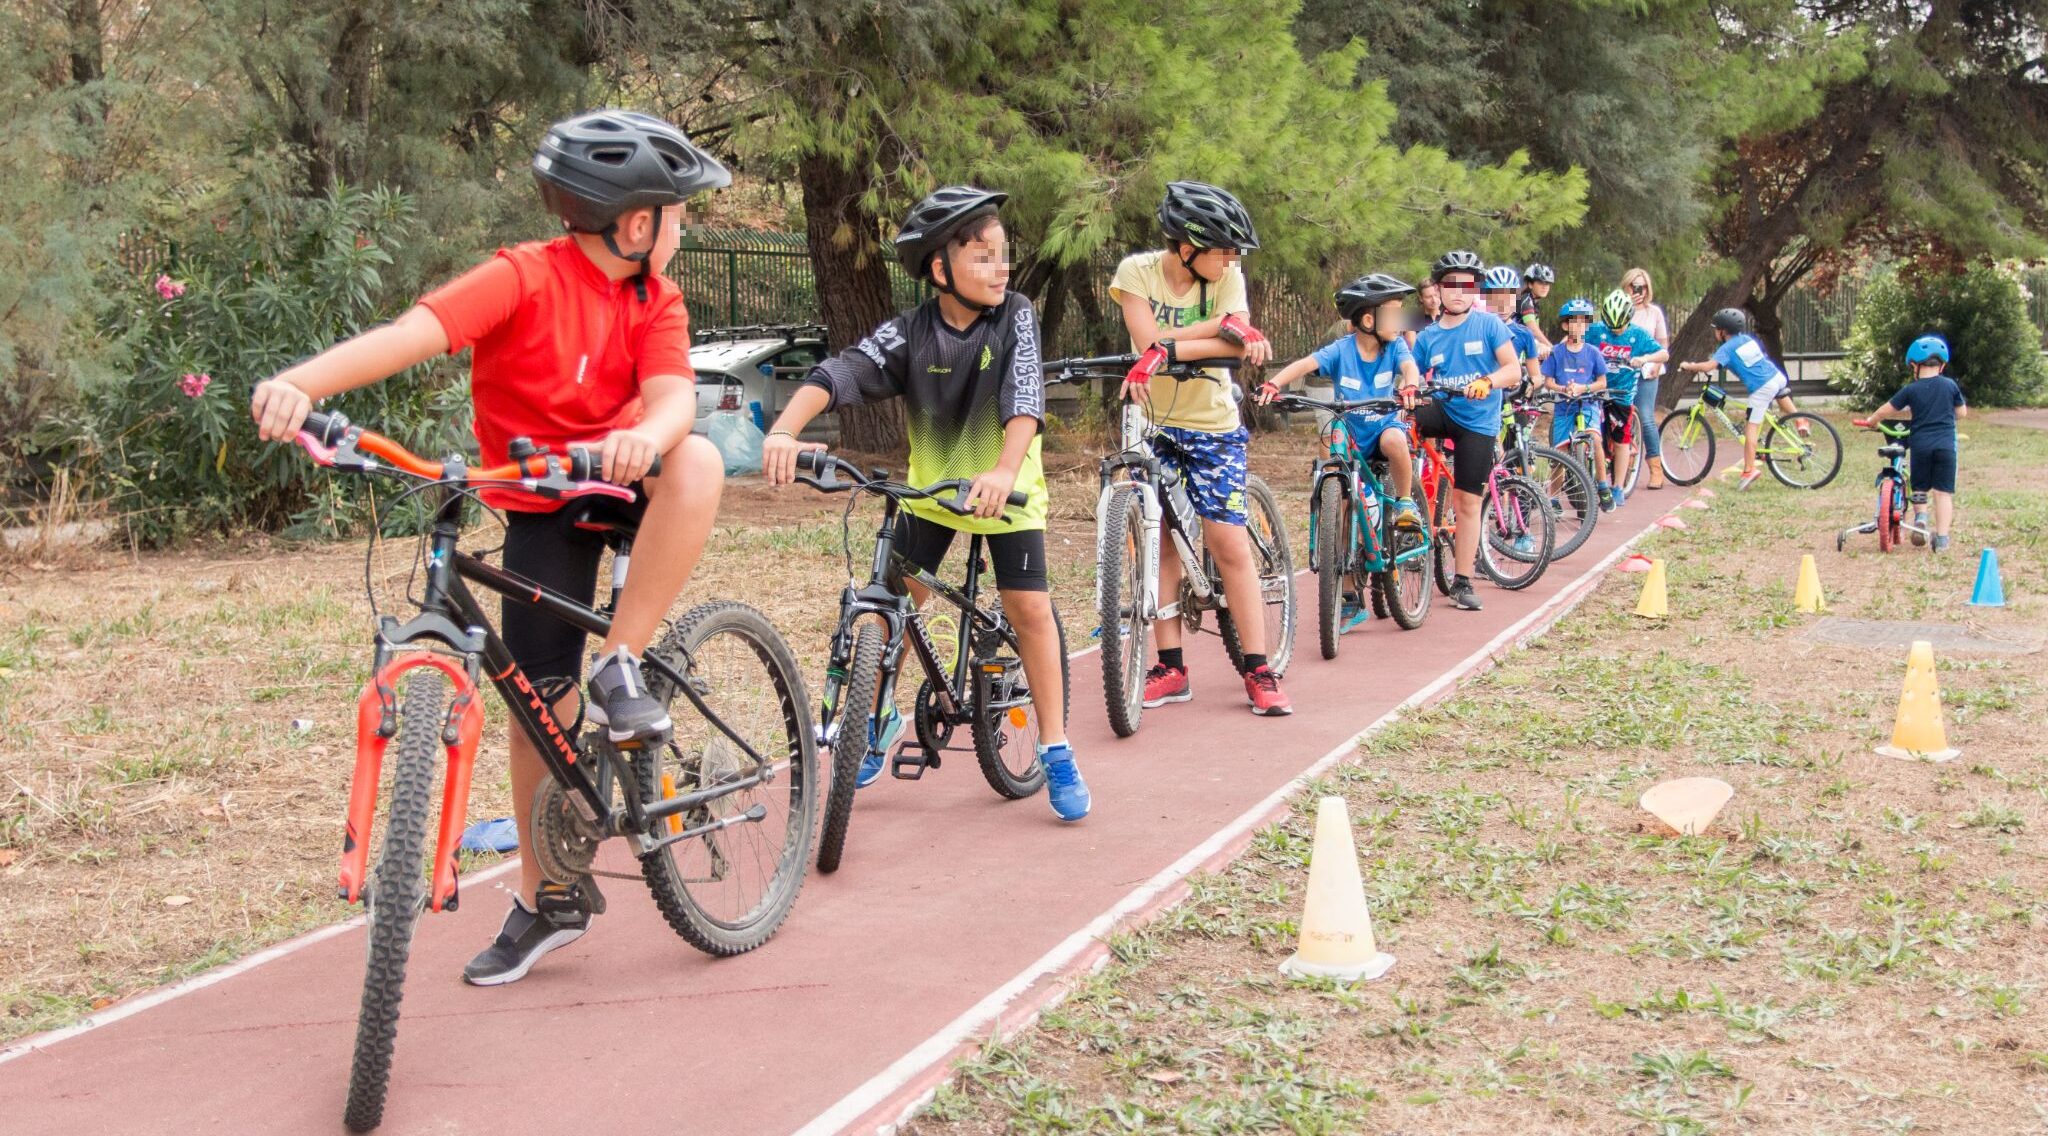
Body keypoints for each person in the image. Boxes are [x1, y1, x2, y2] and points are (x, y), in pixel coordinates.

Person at [248, 110, 732, 985]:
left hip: (628, 477)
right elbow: (409, 336)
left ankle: (622, 659)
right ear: (634, 225)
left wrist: (644, 437)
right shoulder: (523, 277)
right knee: (535, 707)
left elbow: (672, 400)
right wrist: (295, 385)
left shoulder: (654, 299)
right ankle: (553, 897)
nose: (684, 229)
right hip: (541, 502)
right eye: (678, 214)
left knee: (694, 457)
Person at [760, 186, 1089, 820]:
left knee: (1027, 609)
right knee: (893, 606)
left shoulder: (1015, 314)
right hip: (932, 493)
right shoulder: (911, 332)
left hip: (1008, 488)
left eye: (1004, 254)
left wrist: (1000, 472)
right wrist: (784, 431)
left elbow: (1026, 400)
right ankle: (872, 717)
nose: (1001, 268)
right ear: (940, 270)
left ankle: (1055, 747)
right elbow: (845, 371)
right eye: (983, 256)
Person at [1110, 181, 1288, 716]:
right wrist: (1215, 331)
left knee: (1227, 540)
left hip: (1213, 425)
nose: (1233, 259)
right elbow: (1151, 339)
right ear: (1187, 245)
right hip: (1153, 425)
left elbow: (1228, 341)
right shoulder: (1135, 274)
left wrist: (1168, 347)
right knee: (1156, 540)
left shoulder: (1227, 276)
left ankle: (1259, 668)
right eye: (1225, 248)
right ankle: (1171, 667)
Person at [1257, 271, 1426, 534]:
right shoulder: (1341, 349)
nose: (1401, 322)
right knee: (1338, 475)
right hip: (1350, 431)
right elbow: (1306, 364)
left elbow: (1409, 367)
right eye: (1394, 314)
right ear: (1369, 320)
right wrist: (1274, 384)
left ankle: (1405, 502)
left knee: (1395, 440)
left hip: (1382, 427)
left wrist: (1411, 386)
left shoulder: (1395, 347)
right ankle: (1340, 544)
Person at [1405, 250, 1523, 612]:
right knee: (1402, 421)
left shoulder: (1490, 326)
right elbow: (1412, 374)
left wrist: (1488, 381)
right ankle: (1403, 494)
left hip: (1478, 422)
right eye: (1450, 285)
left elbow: (1513, 371)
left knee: (1467, 501)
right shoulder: (1427, 337)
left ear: (1476, 290)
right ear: (1437, 291)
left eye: (1467, 285)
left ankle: (1463, 580)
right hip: (1443, 409)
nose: (1459, 292)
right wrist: (1407, 392)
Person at [1860, 334, 1967, 551]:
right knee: (1942, 492)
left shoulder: (1911, 389)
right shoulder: (1950, 385)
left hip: (1920, 444)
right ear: (1942, 364)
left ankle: (1921, 520)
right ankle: (1943, 539)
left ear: (1914, 365)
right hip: (1946, 444)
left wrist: (1872, 420)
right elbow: (1962, 413)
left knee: (1919, 486)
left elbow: (1887, 409)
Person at [1675, 308, 1799, 491]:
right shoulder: (1748, 339)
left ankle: (1748, 471)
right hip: (1776, 377)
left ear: (1723, 331)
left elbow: (1709, 365)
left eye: (1716, 329)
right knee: (1780, 395)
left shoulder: (1726, 348)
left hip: (1762, 387)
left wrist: (1689, 366)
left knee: (1752, 428)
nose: (1715, 332)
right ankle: (1801, 420)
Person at [1585, 290, 1667, 507]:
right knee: (1591, 434)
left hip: (1622, 394)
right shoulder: (1595, 331)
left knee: (1621, 439)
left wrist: (1644, 358)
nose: (1615, 331)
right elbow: (1574, 340)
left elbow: (1663, 354)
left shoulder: (1638, 335)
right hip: (1596, 391)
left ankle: (1618, 486)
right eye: (1611, 328)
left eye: (1619, 328)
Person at [1539, 297, 1614, 507]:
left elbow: (1602, 381)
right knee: (1559, 453)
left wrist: (1584, 388)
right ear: (1565, 325)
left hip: (1588, 404)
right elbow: (1548, 381)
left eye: (1583, 322)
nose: (1578, 326)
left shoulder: (1593, 352)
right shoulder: (1557, 352)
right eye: (1574, 321)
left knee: (1596, 440)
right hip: (1564, 406)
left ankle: (1602, 486)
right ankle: (1553, 497)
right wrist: (1563, 389)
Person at [1620, 267, 1671, 488]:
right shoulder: (1619, 309)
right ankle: (1623, 467)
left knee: (1647, 417)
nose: (1637, 290)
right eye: (1633, 285)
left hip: (1647, 370)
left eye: (1641, 286)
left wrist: (1656, 364)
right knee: (1621, 416)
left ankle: (1655, 468)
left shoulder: (1654, 312)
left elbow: (1663, 344)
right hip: (1622, 369)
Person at [1483, 265, 1544, 390]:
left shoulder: (1524, 333)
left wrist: (1524, 387)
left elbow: (1536, 376)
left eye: (1509, 298)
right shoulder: (1477, 328)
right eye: (1497, 299)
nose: (1504, 305)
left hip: (1508, 401)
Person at [1518, 263, 1556, 359]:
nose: (1544, 287)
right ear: (1530, 284)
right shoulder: (1526, 300)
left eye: (1547, 284)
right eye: (1540, 283)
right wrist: (1552, 347)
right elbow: (1533, 329)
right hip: (1516, 352)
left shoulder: (1533, 301)